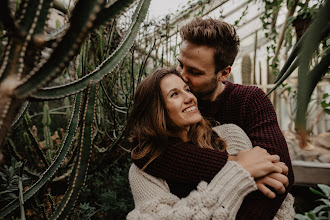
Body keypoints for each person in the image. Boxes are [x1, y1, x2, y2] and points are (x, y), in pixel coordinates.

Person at [132, 17, 294, 220]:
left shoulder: (249, 102)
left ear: (223, 73)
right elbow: (144, 151)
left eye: (194, 72)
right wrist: (236, 164)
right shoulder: (168, 100)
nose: (181, 75)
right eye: (180, 64)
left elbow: (279, 174)